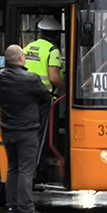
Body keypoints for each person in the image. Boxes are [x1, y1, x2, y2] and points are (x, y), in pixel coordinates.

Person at [0, 45, 51, 213]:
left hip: (7, 130)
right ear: (21, 59)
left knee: (13, 168)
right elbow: (45, 96)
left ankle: (12, 207)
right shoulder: (31, 79)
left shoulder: (2, 78)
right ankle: (27, 209)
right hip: (27, 132)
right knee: (26, 170)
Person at [23, 17, 66, 178]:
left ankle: (28, 169)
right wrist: (68, 89)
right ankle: (36, 172)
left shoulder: (28, 47)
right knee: (43, 137)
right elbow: (54, 78)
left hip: (26, 99)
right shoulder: (52, 51)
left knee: (28, 135)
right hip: (45, 100)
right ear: (55, 36)